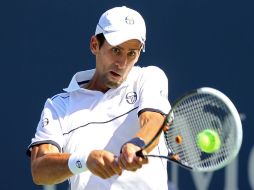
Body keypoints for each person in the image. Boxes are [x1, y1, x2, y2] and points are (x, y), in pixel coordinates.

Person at [26, 6, 171, 190]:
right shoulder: (59, 106)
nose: (122, 63)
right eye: (116, 50)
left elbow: (154, 121)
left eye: (131, 53)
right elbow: (39, 170)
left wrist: (137, 144)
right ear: (95, 45)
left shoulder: (149, 77)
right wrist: (84, 161)